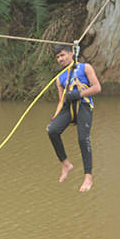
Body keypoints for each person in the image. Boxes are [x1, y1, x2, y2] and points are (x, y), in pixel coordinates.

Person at [46, 44, 102, 192]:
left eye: (63, 55)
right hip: (68, 108)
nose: (60, 59)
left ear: (71, 54)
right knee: (52, 130)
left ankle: (88, 176)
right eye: (58, 57)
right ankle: (65, 164)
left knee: (83, 139)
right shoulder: (60, 78)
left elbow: (97, 88)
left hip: (83, 105)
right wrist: (56, 116)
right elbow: (61, 100)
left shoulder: (85, 68)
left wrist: (78, 94)